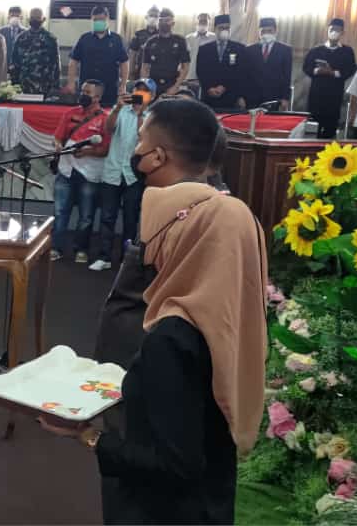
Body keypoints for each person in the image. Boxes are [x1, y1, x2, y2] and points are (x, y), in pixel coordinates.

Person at [42, 126, 266, 526]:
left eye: (160, 231)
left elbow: (174, 465)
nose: (150, 246)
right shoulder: (225, 319)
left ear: (185, 240)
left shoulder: (172, 336)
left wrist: (86, 435)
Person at [96, 79, 153, 273]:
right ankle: (103, 257)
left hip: (134, 175)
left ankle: (125, 260)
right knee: (107, 216)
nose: (139, 94)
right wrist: (118, 108)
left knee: (130, 218)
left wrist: (140, 113)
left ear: (152, 96)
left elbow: (143, 138)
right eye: (137, 90)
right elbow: (108, 130)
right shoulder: (120, 110)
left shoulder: (152, 117)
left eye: (145, 92)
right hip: (112, 170)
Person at [50, 80, 110, 263]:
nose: (83, 95)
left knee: (86, 215)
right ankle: (55, 248)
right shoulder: (70, 113)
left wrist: (87, 152)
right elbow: (57, 137)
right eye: (82, 91)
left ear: (97, 97)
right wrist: (58, 146)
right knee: (60, 212)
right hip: (66, 169)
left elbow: (105, 150)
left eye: (87, 92)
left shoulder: (105, 119)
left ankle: (81, 249)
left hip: (89, 173)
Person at [303, 18, 357, 138]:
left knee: (330, 130)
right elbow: (306, 67)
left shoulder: (347, 51)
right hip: (316, 95)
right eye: (332, 29)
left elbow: (350, 69)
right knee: (311, 129)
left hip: (334, 95)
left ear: (342, 33)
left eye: (337, 30)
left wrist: (333, 73)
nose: (334, 32)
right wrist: (318, 71)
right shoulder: (316, 50)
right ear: (327, 30)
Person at [66, 6, 128, 106]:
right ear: (92, 20)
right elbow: (73, 61)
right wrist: (71, 82)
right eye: (95, 20)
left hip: (109, 87)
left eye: (101, 19)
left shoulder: (116, 39)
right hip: (87, 89)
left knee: (108, 113)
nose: (98, 22)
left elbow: (124, 62)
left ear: (108, 19)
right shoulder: (84, 39)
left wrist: (123, 84)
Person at [197, 14, 247, 110]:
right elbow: (200, 71)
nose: (224, 30)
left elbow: (240, 73)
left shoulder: (239, 48)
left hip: (231, 96)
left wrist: (224, 87)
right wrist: (209, 88)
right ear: (214, 29)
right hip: (209, 96)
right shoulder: (204, 49)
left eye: (227, 28)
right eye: (221, 28)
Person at [244, 17, 292, 110]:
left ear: (275, 31)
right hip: (252, 96)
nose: (266, 34)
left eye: (269, 31)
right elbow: (245, 75)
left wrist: (285, 98)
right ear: (259, 32)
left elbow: (287, 76)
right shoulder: (249, 50)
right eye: (263, 31)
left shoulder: (285, 50)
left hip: (274, 97)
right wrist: (242, 96)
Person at [140, 7, 190, 96]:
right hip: (153, 85)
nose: (164, 23)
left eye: (167, 20)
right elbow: (145, 68)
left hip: (172, 84)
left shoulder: (180, 41)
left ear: (173, 23)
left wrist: (176, 87)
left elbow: (185, 68)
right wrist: (146, 86)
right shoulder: (150, 42)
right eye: (161, 20)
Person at [11, 8, 60, 96]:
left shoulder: (50, 39)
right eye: (32, 18)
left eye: (37, 18)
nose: (34, 20)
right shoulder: (21, 38)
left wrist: (55, 86)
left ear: (43, 19)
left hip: (44, 86)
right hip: (23, 86)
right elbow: (15, 62)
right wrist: (13, 83)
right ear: (28, 19)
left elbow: (55, 64)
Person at [128, 5, 160, 81]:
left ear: (159, 19)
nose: (153, 18)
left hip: (158, 72)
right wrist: (131, 72)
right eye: (151, 15)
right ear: (146, 17)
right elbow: (132, 54)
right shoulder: (139, 34)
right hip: (140, 70)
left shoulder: (162, 35)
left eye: (156, 16)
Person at [185, 12, 216, 85]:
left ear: (209, 23)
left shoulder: (214, 38)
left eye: (205, 21)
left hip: (208, 75)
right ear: (197, 22)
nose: (202, 23)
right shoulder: (189, 38)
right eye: (201, 21)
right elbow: (184, 59)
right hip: (191, 75)